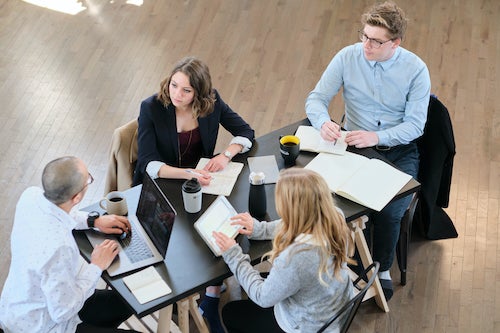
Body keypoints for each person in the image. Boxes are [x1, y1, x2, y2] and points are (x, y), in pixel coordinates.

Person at [305, 1, 431, 300]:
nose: (367, 45)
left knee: (388, 211)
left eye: (376, 41)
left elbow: (415, 126)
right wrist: (324, 122)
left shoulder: (415, 70)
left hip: (398, 151)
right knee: (322, 200)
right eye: (364, 36)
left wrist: (377, 136)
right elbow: (316, 98)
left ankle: (381, 268)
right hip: (353, 147)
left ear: (395, 43)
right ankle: (330, 262)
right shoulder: (347, 57)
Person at [133, 56, 255, 333]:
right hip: (166, 184)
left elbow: (246, 132)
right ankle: (186, 291)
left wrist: (226, 155)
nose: (177, 94)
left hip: (202, 181)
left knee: (220, 230)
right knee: (183, 242)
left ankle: (211, 297)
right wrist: (188, 174)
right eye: (174, 85)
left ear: (199, 93)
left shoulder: (211, 102)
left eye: (186, 90)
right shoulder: (151, 107)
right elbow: (148, 165)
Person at [0, 156, 138, 333]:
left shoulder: (31, 196)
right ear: (77, 197)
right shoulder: (59, 247)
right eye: (88, 179)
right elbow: (62, 312)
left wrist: (93, 221)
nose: (89, 180)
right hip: (42, 326)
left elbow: (59, 214)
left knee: (128, 298)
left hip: (17, 308)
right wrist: (96, 265)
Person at [214, 168, 355, 333]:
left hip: (306, 326)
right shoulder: (335, 217)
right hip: (333, 308)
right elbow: (295, 223)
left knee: (230, 312)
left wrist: (233, 255)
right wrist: (260, 229)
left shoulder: (295, 260)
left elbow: (262, 297)